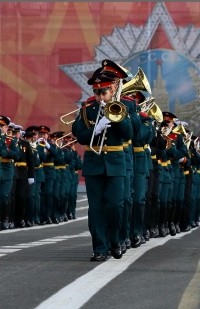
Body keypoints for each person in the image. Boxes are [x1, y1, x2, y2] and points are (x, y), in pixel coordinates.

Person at [71, 59, 135, 261]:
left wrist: (117, 119)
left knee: (116, 205)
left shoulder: (124, 107)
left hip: (116, 163)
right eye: (97, 93)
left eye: (104, 92)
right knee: (96, 208)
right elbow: (79, 135)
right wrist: (95, 129)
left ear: (112, 90)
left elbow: (129, 133)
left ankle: (115, 240)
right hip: (94, 163)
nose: (100, 97)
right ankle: (99, 247)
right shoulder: (87, 109)